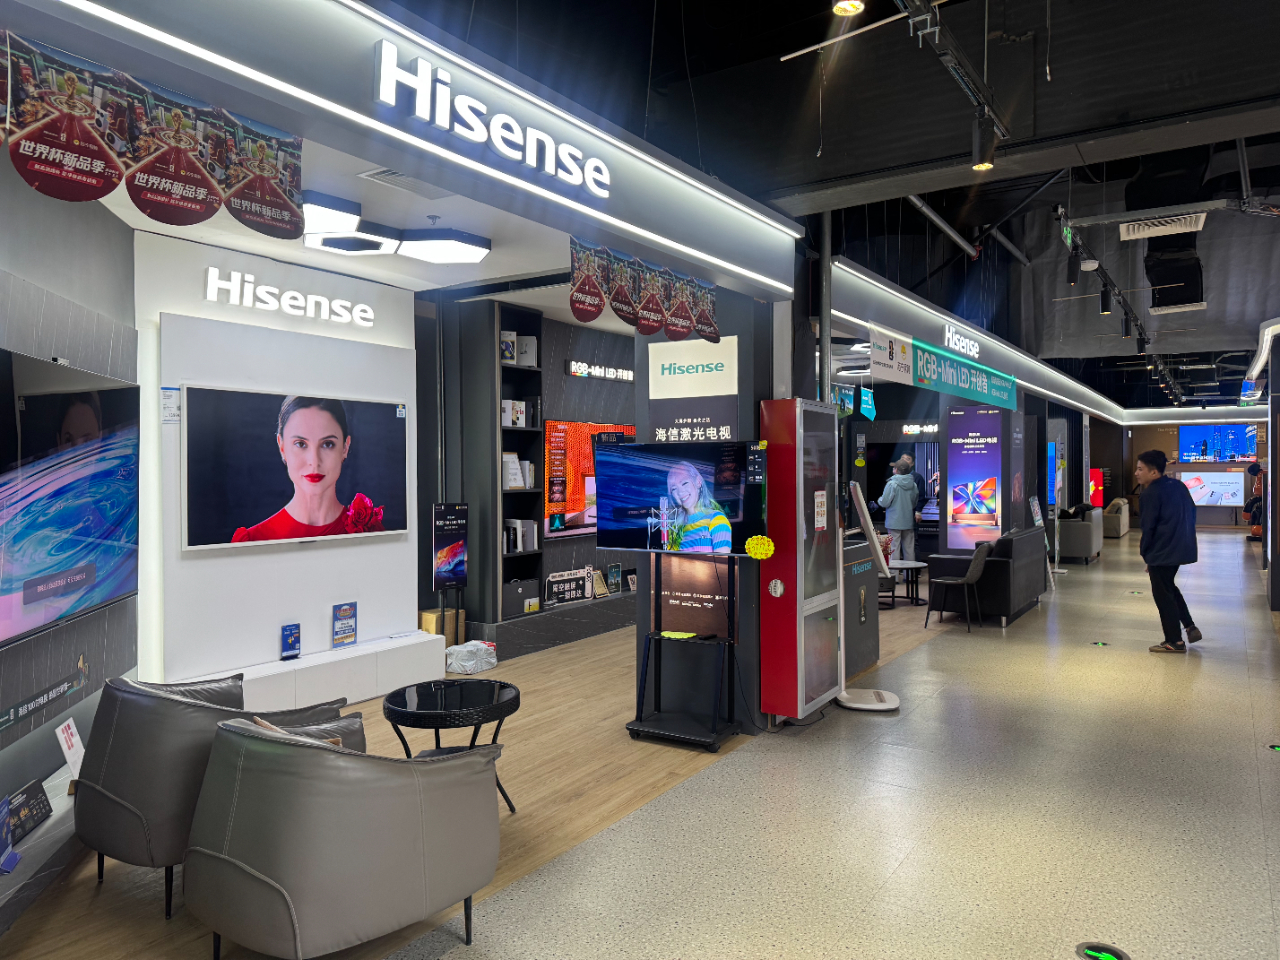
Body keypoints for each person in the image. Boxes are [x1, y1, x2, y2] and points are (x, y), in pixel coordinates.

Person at [232, 396, 386, 543]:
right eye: (300, 444)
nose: (314, 462)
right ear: (282, 447)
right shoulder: (253, 540)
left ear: (345, 448)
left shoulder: (371, 532)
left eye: (327, 444)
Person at [1134, 449, 1202, 652]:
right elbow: (1192, 511)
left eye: (1140, 469)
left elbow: (1148, 527)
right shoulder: (1178, 486)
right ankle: (1189, 626)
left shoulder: (1149, 494)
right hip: (1182, 546)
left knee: (1162, 595)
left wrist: (1147, 555)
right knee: (1168, 587)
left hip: (1163, 550)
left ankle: (1174, 641)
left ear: (1154, 472)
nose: (1136, 473)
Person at [664, 461, 731, 554]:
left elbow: (723, 561)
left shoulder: (717, 520)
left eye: (684, 483)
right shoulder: (675, 527)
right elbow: (669, 561)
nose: (680, 492)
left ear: (698, 482)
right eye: (674, 489)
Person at [875, 459, 919, 563]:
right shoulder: (913, 485)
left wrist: (879, 500)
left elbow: (885, 502)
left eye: (894, 468)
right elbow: (914, 502)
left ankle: (894, 572)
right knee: (909, 549)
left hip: (894, 521)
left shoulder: (892, 484)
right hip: (908, 521)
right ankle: (909, 572)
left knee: (893, 549)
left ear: (896, 470)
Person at [900, 451, 928, 524]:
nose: (904, 461)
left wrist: (918, 511)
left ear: (912, 463)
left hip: (910, 513)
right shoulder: (895, 477)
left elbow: (920, 496)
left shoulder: (917, 477)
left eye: (907, 459)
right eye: (902, 458)